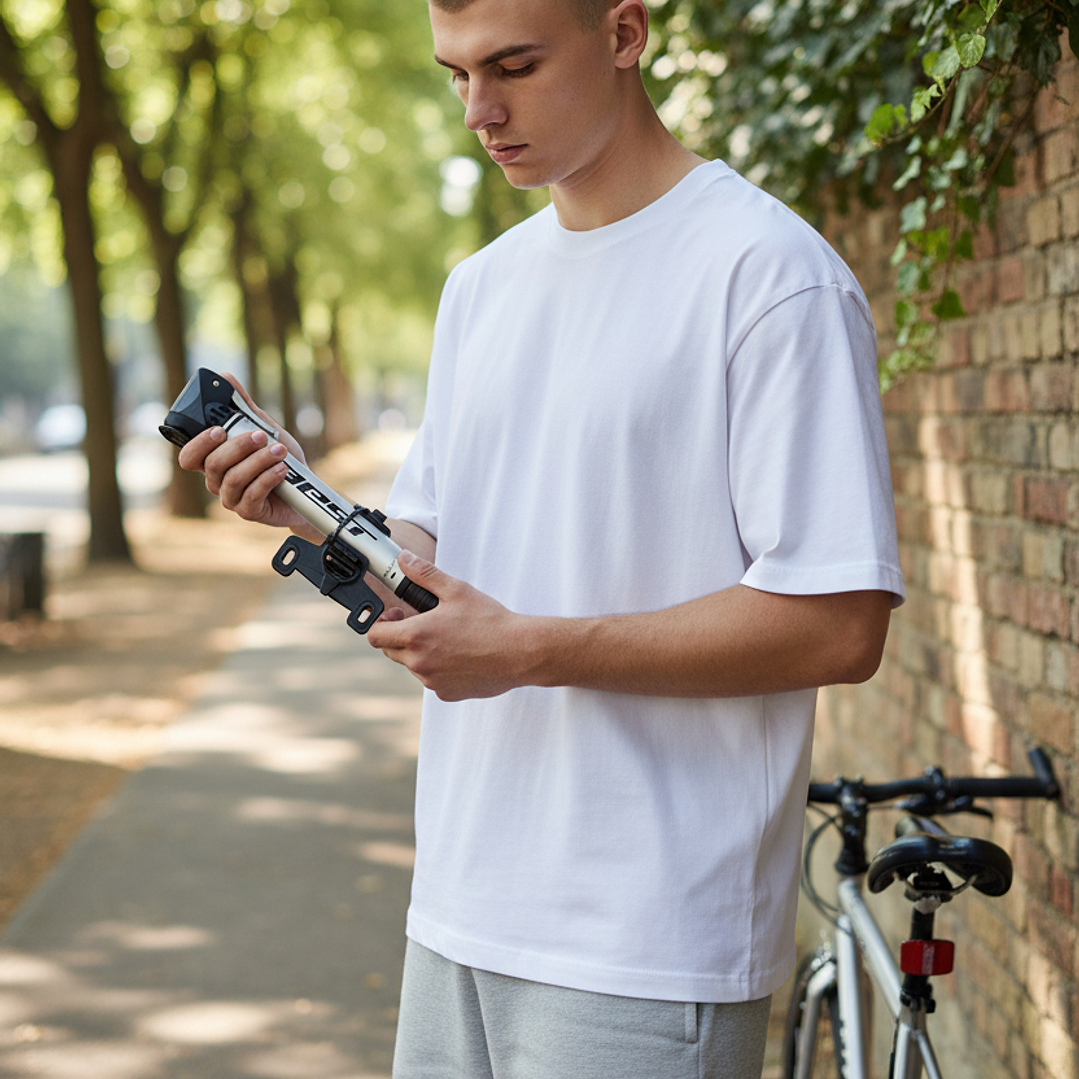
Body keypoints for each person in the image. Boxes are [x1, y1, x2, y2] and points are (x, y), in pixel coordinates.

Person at [179, 0, 906, 1075]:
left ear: (623, 33)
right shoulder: (480, 290)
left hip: (648, 941)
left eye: (513, 65)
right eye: (456, 74)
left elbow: (840, 623)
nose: (479, 108)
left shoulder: (767, 275)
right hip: (458, 908)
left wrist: (530, 647)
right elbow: (422, 564)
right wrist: (301, 503)